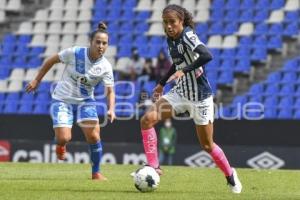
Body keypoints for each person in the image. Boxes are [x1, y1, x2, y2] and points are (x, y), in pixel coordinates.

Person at [138, 5, 242, 193]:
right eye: (166, 22)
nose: (169, 26)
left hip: (200, 98)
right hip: (180, 93)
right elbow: (177, 63)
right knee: (147, 120)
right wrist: (162, 83)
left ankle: (230, 175)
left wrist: (184, 70)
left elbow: (206, 55)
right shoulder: (171, 38)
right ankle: (153, 166)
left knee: (207, 145)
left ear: (182, 22)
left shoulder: (188, 35)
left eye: (172, 22)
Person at [25, 22, 115, 181]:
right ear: (91, 42)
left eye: (104, 43)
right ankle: (60, 144)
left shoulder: (106, 67)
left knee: (94, 136)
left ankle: (96, 173)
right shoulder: (75, 53)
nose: (101, 46)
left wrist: (111, 108)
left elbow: (110, 90)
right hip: (62, 100)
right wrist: (36, 80)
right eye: (98, 42)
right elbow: (51, 60)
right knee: (64, 138)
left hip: (85, 101)